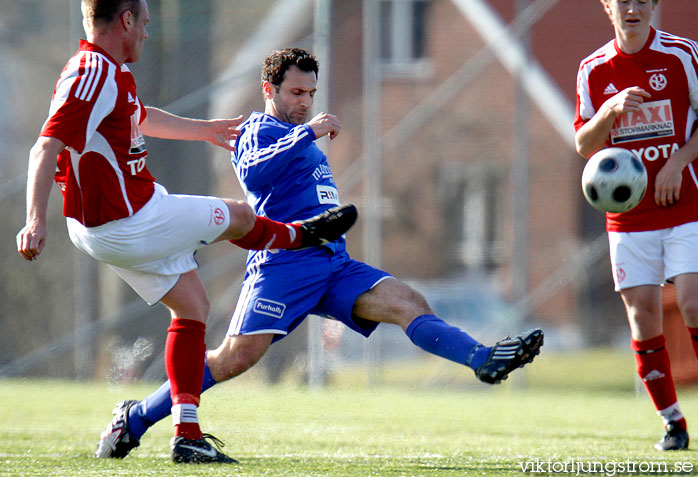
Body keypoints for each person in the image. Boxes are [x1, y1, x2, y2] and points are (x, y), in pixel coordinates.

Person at [94, 47, 544, 462]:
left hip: (334, 264)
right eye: (295, 92)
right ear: (268, 90)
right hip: (283, 266)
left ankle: (481, 359)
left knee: (408, 302)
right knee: (234, 358)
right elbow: (253, 172)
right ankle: (132, 419)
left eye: (310, 93)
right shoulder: (258, 129)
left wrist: (306, 136)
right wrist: (306, 133)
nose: (305, 101)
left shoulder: (299, 134)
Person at [17, 1, 356, 464]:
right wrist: (35, 219)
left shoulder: (108, 72)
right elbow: (45, 145)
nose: (149, 34)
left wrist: (206, 130)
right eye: (146, 23)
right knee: (238, 214)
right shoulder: (92, 71)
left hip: (112, 223)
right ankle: (303, 236)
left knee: (194, 306)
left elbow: (141, 117)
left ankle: (186, 434)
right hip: (128, 220)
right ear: (127, 20)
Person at [574, 0, 698, 451]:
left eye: (642, 0)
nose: (633, 8)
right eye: (622, 0)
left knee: (692, 304)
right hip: (628, 218)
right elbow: (584, 144)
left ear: (654, 6)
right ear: (607, 7)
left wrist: (679, 162)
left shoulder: (682, 54)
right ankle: (673, 422)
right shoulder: (593, 69)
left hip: (686, 205)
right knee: (643, 317)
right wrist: (608, 112)